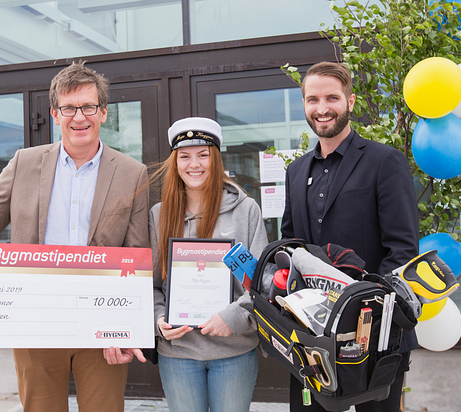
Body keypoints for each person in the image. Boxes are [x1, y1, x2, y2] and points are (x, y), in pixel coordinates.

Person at [0, 61, 149, 412]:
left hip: (101, 326)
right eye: (69, 108)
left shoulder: (133, 174)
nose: (79, 118)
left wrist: (128, 327)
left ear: (103, 112)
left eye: (88, 107)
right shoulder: (23, 164)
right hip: (35, 322)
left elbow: (136, 254)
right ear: (55, 114)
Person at [281, 62, 419, 412]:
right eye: (313, 99)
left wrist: (364, 313)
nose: (322, 108)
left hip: (375, 336)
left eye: (332, 97)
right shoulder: (295, 172)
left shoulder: (384, 161)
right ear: (304, 105)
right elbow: (291, 245)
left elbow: (401, 250)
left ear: (351, 101)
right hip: (313, 337)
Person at [150, 117, 268, 412]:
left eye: (203, 154)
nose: (195, 164)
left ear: (215, 158)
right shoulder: (159, 215)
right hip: (178, 352)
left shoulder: (245, 210)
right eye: (185, 156)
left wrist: (233, 317)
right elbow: (150, 285)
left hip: (234, 350)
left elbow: (261, 282)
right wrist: (159, 319)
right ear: (175, 162)